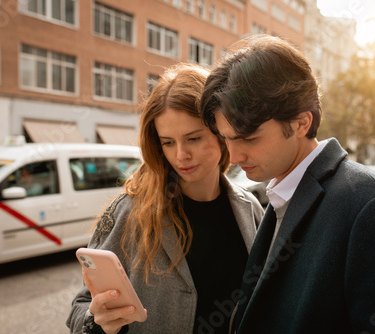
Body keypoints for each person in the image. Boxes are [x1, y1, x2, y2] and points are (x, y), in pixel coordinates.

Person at [200, 34, 375, 333]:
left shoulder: (371, 207)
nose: (234, 155)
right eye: (226, 139)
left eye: (249, 139)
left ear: (301, 123)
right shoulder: (283, 193)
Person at [66, 63, 264, 334]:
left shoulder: (250, 209)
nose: (181, 155)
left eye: (193, 138)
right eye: (168, 142)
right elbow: (81, 308)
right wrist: (98, 321)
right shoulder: (128, 212)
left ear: (222, 134)